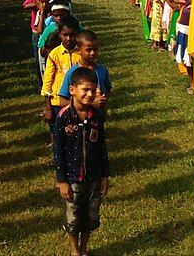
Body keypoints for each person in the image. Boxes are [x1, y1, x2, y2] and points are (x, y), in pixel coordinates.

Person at [53, 67, 109, 256]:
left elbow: (102, 147)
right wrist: (62, 181)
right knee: (73, 217)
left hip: (93, 176)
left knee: (90, 216)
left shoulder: (97, 117)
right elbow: (58, 151)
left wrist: (104, 175)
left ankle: (84, 249)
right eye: (85, 89)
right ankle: (75, 251)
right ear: (72, 90)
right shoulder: (63, 117)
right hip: (73, 178)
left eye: (93, 90)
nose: (89, 94)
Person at [42, 17, 82, 144]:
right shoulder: (54, 54)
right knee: (57, 130)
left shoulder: (82, 53)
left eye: (72, 35)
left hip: (78, 100)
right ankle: (57, 154)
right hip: (57, 101)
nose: (68, 39)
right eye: (65, 35)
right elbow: (48, 80)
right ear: (60, 35)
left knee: (76, 130)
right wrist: (48, 107)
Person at [58, 30, 111, 114]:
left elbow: (107, 90)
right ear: (79, 50)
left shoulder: (102, 71)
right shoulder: (71, 73)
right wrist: (90, 103)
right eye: (89, 50)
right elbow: (62, 101)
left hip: (97, 118)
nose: (93, 53)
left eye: (95, 49)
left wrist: (102, 102)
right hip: (77, 119)